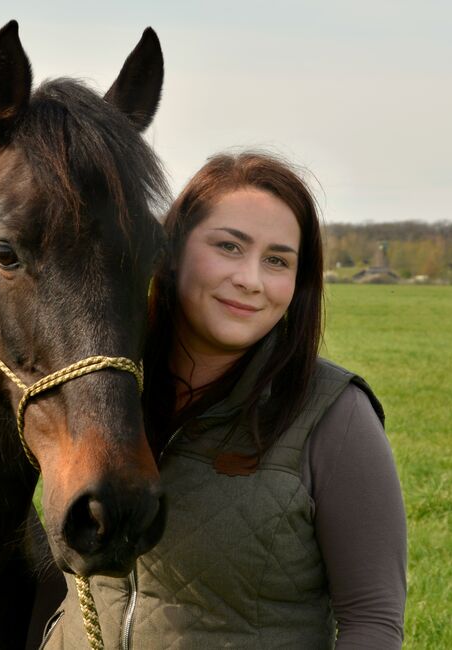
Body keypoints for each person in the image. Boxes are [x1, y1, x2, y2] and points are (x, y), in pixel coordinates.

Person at [39, 152, 407, 649]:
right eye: (230, 247)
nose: (251, 280)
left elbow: (372, 621)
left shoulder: (335, 415)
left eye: (277, 260)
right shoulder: (93, 387)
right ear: (170, 252)